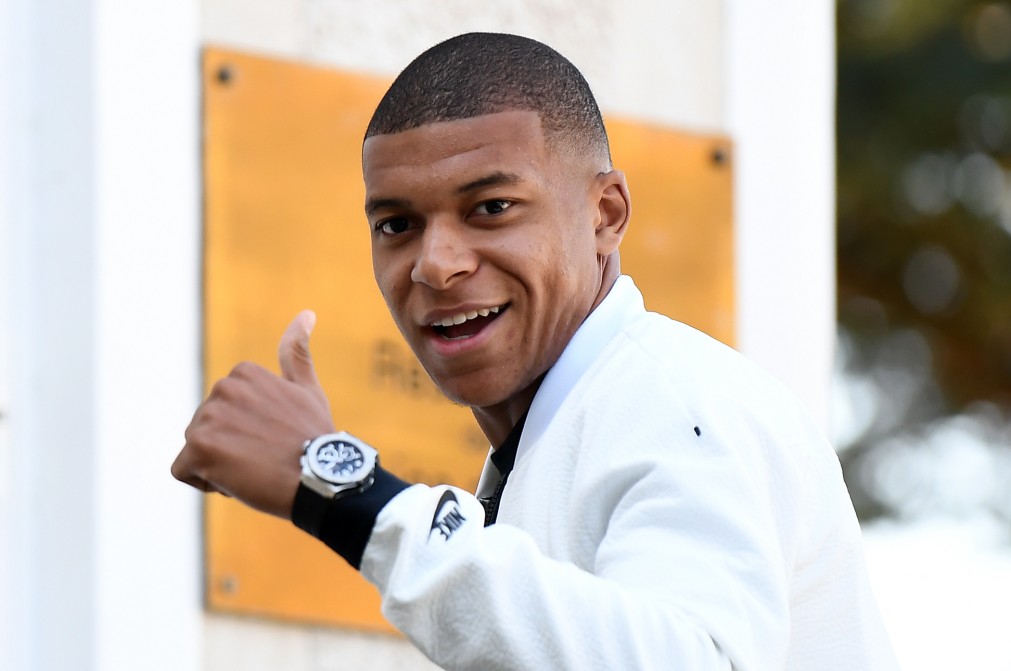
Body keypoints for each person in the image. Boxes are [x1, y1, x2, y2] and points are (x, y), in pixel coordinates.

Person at [172, 32, 899, 670]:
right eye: (397, 225)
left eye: (491, 208)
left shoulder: (682, 402)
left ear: (606, 214)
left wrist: (338, 483)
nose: (436, 264)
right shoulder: (561, 439)